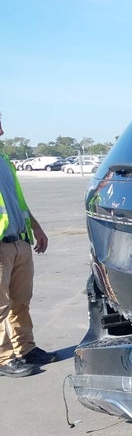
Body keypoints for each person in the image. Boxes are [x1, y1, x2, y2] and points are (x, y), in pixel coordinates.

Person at [0, 113, 59, 377]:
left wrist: (35, 226)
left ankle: (25, 348)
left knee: (21, 302)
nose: (2, 131)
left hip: (19, 242)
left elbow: (17, 202)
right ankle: (4, 358)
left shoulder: (4, 162)